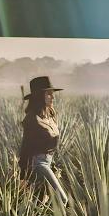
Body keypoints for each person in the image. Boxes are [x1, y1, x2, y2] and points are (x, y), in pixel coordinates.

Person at [18, 75, 69, 207]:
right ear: (40, 96)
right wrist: (22, 175)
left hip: (48, 163)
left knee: (40, 202)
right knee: (62, 199)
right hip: (38, 164)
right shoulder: (32, 119)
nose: (53, 97)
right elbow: (25, 147)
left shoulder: (50, 116)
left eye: (52, 94)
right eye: (49, 94)